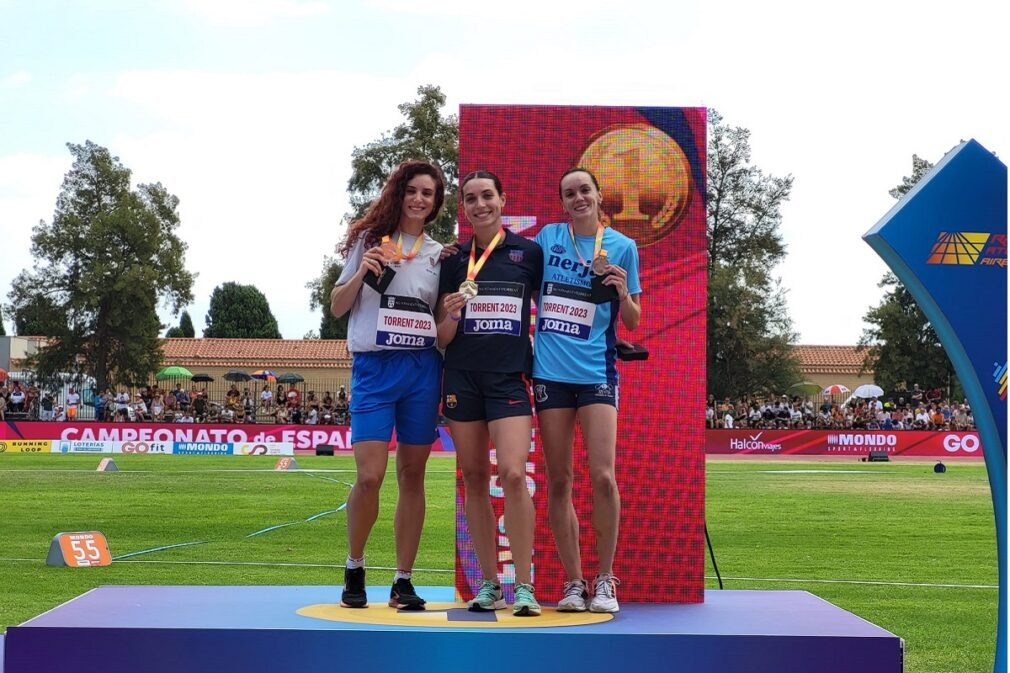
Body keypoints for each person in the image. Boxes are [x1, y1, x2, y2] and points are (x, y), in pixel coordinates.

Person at [329, 159, 447, 611]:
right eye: (413, 190)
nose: (419, 199)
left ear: (435, 203)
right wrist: (363, 272)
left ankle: (403, 580)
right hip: (374, 369)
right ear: (399, 193)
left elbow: (437, 318)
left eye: (428, 194)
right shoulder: (367, 242)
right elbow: (339, 306)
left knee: (412, 475)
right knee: (370, 475)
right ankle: (355, 565)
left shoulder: (438, 253)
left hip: (421, 368)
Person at [532, 167, 641, 614]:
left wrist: (621, 291)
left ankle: (606, 580)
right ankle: (574, 582)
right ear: (562, 201)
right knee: (559, 480)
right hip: (550, 375)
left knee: (603, 477)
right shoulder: (546, 238)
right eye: (569, 193)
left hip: (597, 372)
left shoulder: (622, 246)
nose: (578, 198)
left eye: (585, 191)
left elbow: (632, 320)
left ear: (599, 196)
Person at [436, 169, 544, 616]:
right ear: (463, 208)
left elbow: (553, 307)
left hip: (508, 380)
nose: (479, 205)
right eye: (470, 199)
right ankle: (489, 583)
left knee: (514, 476)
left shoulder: (528, 253)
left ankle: (525, 585)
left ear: (503, 200)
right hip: (462, 378)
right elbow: (441, 338)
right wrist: (454, 315)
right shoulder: (451, 259)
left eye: (487, 196)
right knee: (475, 479)